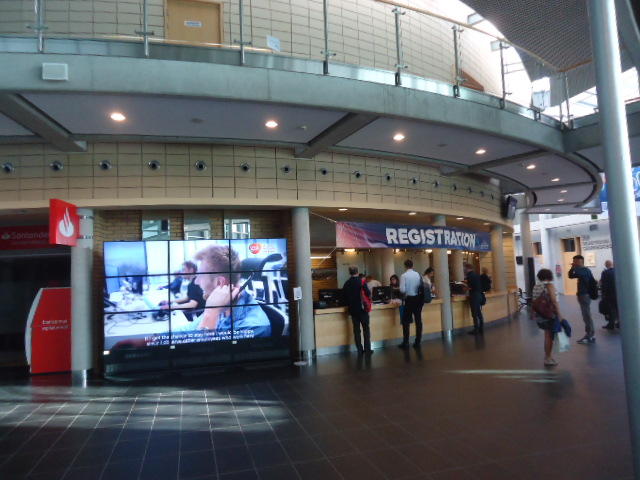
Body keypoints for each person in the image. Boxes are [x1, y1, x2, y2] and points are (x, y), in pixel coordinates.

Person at [190, 244, 272, 338]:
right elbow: (188, 329)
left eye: (200, 275)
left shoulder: (252, 327)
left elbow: (200, 345)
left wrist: (211, 313)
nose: (196, 282)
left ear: (220, 283)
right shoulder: (221, 304)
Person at [532, 268, 563, 366]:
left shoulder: (536, 286)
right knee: (549, 337)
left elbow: (534, 300)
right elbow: (554, 301)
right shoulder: (549, 285)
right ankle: (548, 358)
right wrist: (560, 314)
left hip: (540, 314)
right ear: (549, 276)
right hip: (549, 314)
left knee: (547, 335)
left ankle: (548, 356)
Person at [342, 266, 373, 355]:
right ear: (357, 271)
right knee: (366, 330)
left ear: (349, 272)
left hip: (353, 310)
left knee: (356, 331)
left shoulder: (347, 283)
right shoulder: (361, 281)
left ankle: (359, 350)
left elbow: (343, 297)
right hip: (363, 309)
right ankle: (367, 349)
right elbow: (368, 293)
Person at [568, 254, 596, 344]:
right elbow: (571, 276)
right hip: (583, 295)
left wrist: (574, 267)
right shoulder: (582, 270)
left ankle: (590, 335)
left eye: (575, 261)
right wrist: (573, 267)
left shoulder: (584, 270)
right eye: (574, 261)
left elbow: (574, 274)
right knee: (586, 315)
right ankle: (590, 334)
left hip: (584, 295)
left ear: (580, 261)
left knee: (586, 315)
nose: (574, 263)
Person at [399, 259, 424, 349]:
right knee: (418, 320)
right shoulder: (417, 274)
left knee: (406, 321)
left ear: (405, 266)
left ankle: (406, 342)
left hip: (409, 299)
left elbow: (402, 290)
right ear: (412, 266)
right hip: (418, 299)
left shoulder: (404, 275)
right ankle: (418, 341)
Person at [464, 263, 484, 335]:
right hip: (479, 295)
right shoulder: (476, 275)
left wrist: (465, 287)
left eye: (465, 268)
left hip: (474, 296)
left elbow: (470, 287)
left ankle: (476, 329)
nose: (464, 270)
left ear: (467, 268)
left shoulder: (469, 276)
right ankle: (481, 328)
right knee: (479, 312)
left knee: (474, 313)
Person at [600, 260, 618, 330]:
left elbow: (604, 285)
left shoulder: (605, 273)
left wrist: (603, 294)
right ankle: (619, 323)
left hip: (609, 295)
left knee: (610, 310)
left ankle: (611, 324)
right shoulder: (616, 272)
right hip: (617, 294)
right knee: (617, 309)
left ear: (606, 265)